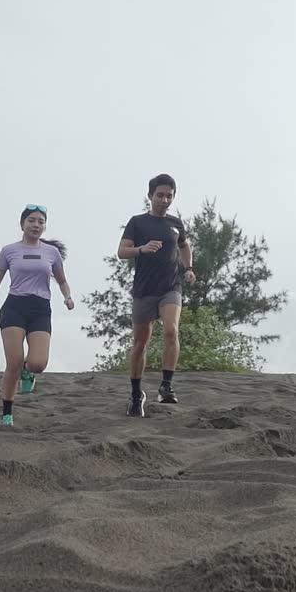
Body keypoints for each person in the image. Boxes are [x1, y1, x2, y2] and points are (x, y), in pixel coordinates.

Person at [0, 204, 74, 426]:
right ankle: (7, 412)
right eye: (31, 220)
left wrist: (67, 297)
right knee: (14, 362)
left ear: (44, 226)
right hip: (15, 306)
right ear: (22, 224)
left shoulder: (52, 253)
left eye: (40, 221)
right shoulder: (9, 251)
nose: (36, 225)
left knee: (38, 363)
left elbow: (62, 280)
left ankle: (28, 373)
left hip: (40, 308)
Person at [116, 173, 196, 416]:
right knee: (140, 344)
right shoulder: (137, 222)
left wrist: (189, 268)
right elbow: (121, 251)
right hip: (144, 291)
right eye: (160, 195)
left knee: (172, 330)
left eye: (169, 196)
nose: (164, 200)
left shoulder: (176, 223)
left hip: (170, 287)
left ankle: (166, 386)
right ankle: (136, 392)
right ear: (150, 196)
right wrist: (142, 249)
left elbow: (183, 245)